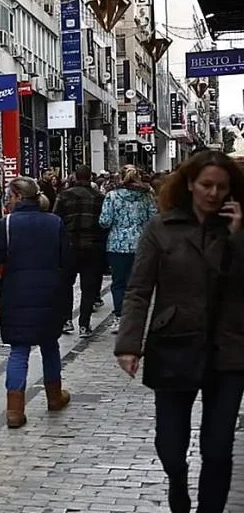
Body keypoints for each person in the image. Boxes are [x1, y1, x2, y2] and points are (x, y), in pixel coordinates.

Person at [115, 151, 244, 513]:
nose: (214, 193)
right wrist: (129, 344)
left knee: (218, 449)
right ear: (189, 184)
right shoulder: (161, 227)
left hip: (228, 348)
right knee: (170, 445)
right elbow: (139, 289)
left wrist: (238, 238)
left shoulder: (239, 228)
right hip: (175, 343)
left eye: (222, 186)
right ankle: (177, 480)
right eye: (206, 185)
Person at [0, 177, 71, 429]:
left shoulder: (7, 224)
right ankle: (54, 396)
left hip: (16, 294)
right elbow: (67, 260)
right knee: (50, 346)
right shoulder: (54, 222)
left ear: (16, 196)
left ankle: (15, 410)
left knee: (19, 350)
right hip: (50, 293)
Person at [100, 164, 157, 334]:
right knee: (138, 284)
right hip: (141, 244)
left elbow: (105, 221)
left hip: (117, 244)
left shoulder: (112, 196)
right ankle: (136, 319)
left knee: (118, 284)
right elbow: (153, 219)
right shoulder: (147, 195)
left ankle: (119, 317)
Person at [54, 165, 107, 337]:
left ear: (75, 177)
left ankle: (66, 320)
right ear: (90, 177)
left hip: (69, 246)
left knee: (65, 285)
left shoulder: (64, 195)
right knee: (89, 287)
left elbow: (56, 220)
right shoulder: (99, 197)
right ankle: (84, 324)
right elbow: (104, 222)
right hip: (92, 246)